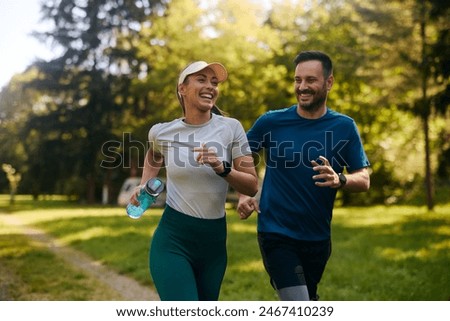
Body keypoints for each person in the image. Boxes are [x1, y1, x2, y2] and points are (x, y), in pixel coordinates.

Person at [238, 50, 370, 301]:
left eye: (310, 80)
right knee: (298, 304)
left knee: (308, 299)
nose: (302, 87)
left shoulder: (344, 127)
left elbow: (363, 180)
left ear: (328, 82)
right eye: (298, 80)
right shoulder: (272, 122)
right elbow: (241, 155)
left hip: (317, 238)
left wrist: (340, 179)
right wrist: (245, 193)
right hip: (276, 233)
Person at [130, 61, 258, 301]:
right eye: (201, 79)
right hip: (173, 240)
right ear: (182, 88)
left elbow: (251, 184)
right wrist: (144, 183)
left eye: (214, 82)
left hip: (214, 245)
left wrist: (222, 168)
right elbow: (154, 154)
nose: (210, 86)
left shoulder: (231, 129)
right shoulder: (161, 132)